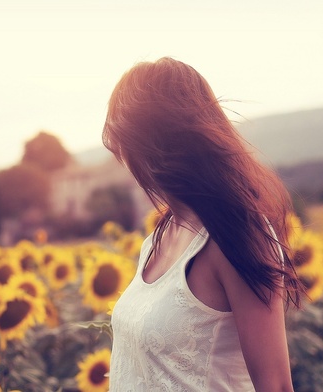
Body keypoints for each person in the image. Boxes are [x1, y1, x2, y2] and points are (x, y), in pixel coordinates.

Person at [103, 57, 304, 392]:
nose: (125, 162)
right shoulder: (160, 236)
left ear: (156, 143)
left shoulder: (239, 235)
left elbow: (276, 385)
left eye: (127, 147)